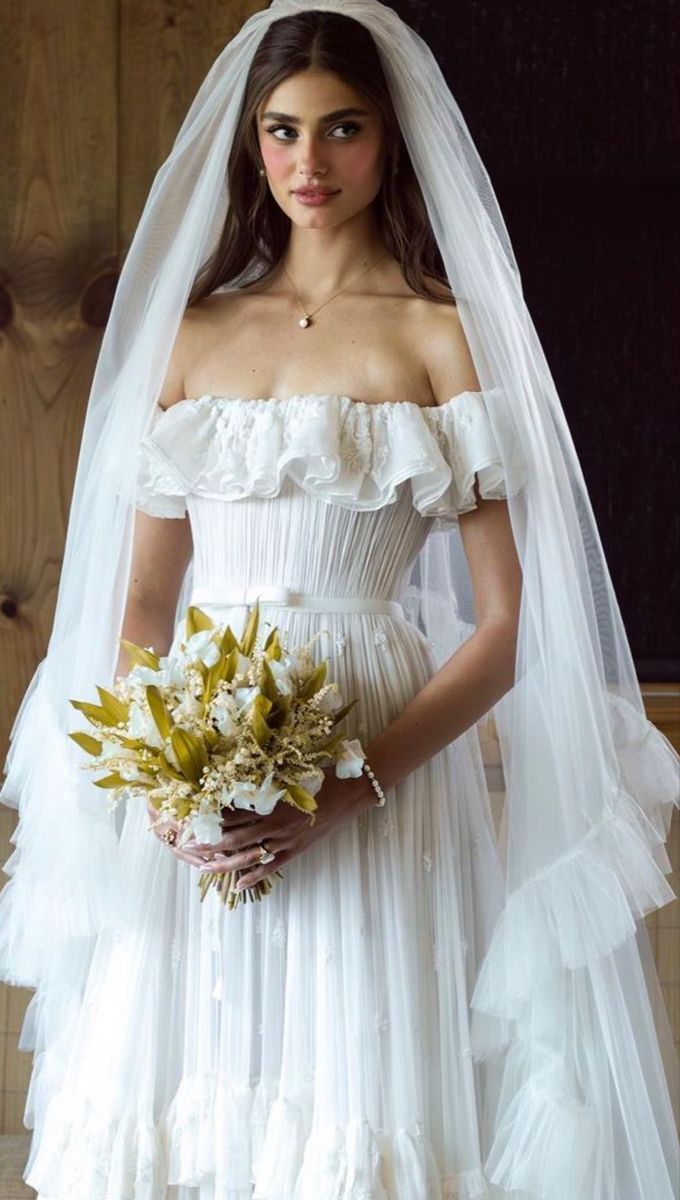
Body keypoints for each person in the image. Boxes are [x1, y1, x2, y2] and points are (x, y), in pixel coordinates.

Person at [1, 4, 678, 1199]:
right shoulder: (192, 335)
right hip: (200, 764)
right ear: (250, 147)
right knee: (188, 1090)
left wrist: (344, 785)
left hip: (372, 763)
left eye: (341, 129)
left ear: (390, 141)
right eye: (281, 131)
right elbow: (145, 608)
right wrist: (161, 782)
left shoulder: (439, 336)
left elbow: (506, 623)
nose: (307, 164)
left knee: (359, 1100)